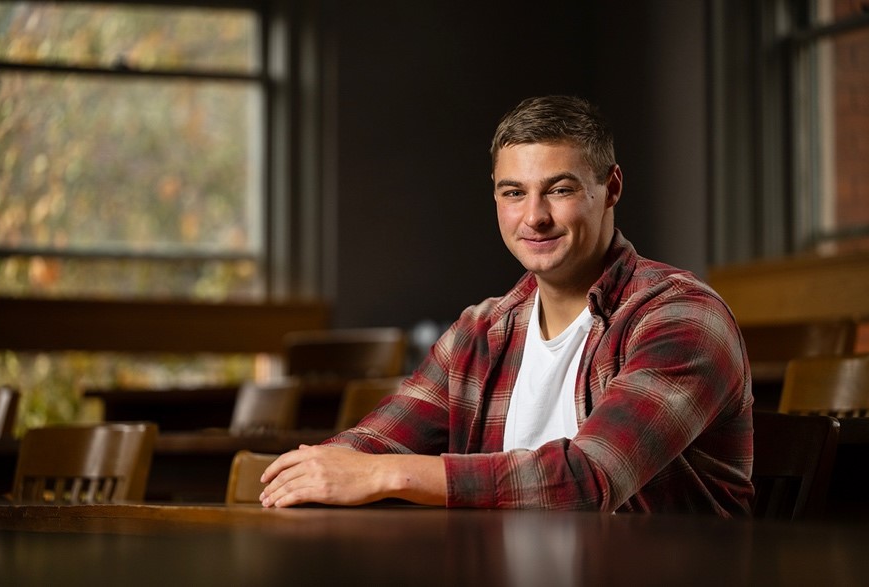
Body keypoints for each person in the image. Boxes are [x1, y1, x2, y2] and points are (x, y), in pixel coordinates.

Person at [260, 95, 754, 516]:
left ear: (612, 189)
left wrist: (387, 475)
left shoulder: (682, 317)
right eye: (513, 192)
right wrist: (314, 474)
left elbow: (588, 481)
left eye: (559, 190)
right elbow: (372, 446)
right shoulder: (481, 330)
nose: (534, 217)